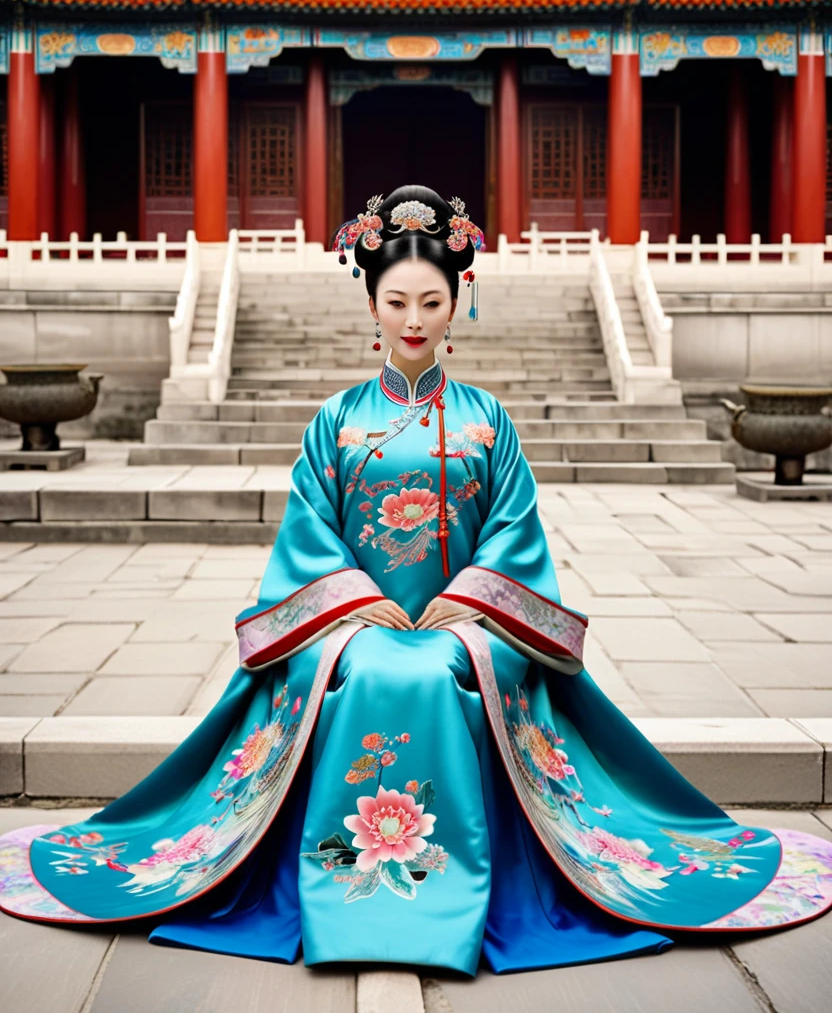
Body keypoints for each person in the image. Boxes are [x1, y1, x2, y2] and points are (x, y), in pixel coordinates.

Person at [1, 184, 831, 976]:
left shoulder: (487, 419)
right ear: (370, 306)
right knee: (377, 668)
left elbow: (516, 533)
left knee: (435, 669)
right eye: (396, 302)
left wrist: (464, 606)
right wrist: (360, 611)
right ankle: (357, 884)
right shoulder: (335, 420)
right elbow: (308, 538)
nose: (413, 320)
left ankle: (437, 886)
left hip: (473, 629)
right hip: (346, 631)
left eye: (431, 303)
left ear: (456, 303)